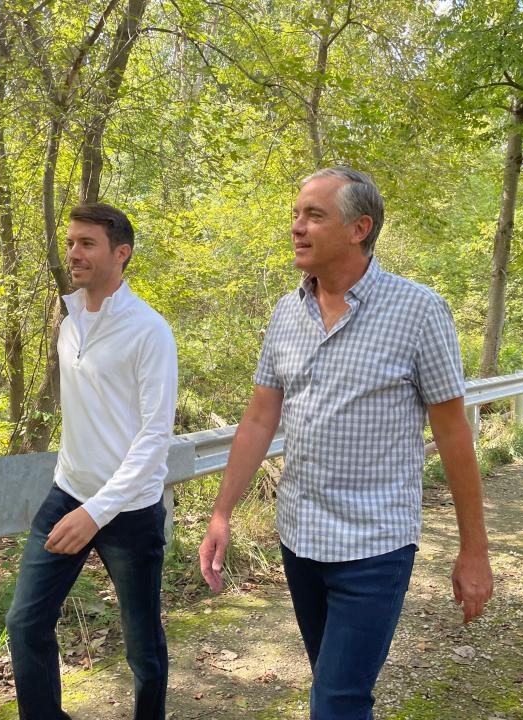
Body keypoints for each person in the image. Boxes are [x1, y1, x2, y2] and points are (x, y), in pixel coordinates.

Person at [198, 166, 493, 719]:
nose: (297, 227)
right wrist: (222, 512)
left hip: (375, 544)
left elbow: (454, 436)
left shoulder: (419, 310)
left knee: (335, 700)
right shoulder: (288, 312)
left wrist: (473, 549)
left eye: (313, 215)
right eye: (295, 214)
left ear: (360, 228)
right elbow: (261, 418)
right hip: (300, 537)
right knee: (336, 686)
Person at [6, 203, 177, 720]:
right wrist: (76, 502)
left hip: (128, 510)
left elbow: (154, 439)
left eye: (87, 243)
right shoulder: (68, 319)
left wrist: (96, 512)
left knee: (141, 648)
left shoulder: (149, 331)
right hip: (67, 493)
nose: (73, 253)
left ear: (120, 254)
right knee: (25, 623)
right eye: (72, 242)